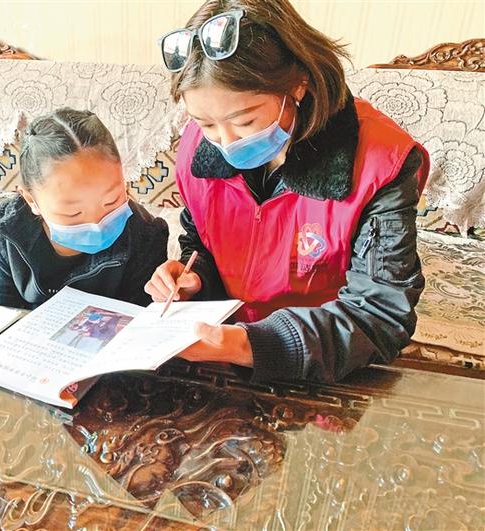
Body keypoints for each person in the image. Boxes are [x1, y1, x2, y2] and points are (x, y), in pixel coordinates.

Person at [147, 0, 429, 383]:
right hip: (220, 349)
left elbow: (380, 313)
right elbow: (202, 242)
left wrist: (250, 345)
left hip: (328, 362)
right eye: (205, 123)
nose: (225, 142)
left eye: (245, 120)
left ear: (298, 83)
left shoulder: (380, 162)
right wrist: (193, 276)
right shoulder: (198, 149)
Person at [0, 108, 169, 309]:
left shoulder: (145, 235)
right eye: (73, 213)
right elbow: (1, 311)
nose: (97, 224)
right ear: (31, 200)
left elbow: (144, 314)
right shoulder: (9, 234)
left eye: (111, 201)